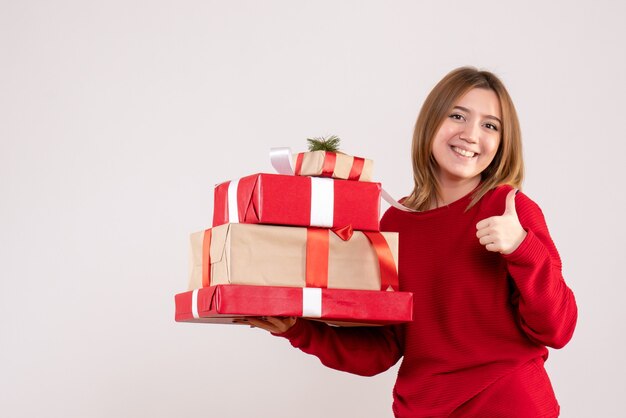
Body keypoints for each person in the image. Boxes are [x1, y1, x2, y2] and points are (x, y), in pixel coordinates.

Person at [247, 67, 578, 417]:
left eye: (489, 125)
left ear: (502, 143)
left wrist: (521, 248)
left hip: (508, 405)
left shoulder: (510, 210)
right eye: (457, 116)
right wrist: (298, 329)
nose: (470, 134)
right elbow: (385, 347)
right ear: (431, 122)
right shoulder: (395, 222)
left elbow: (557, 329)